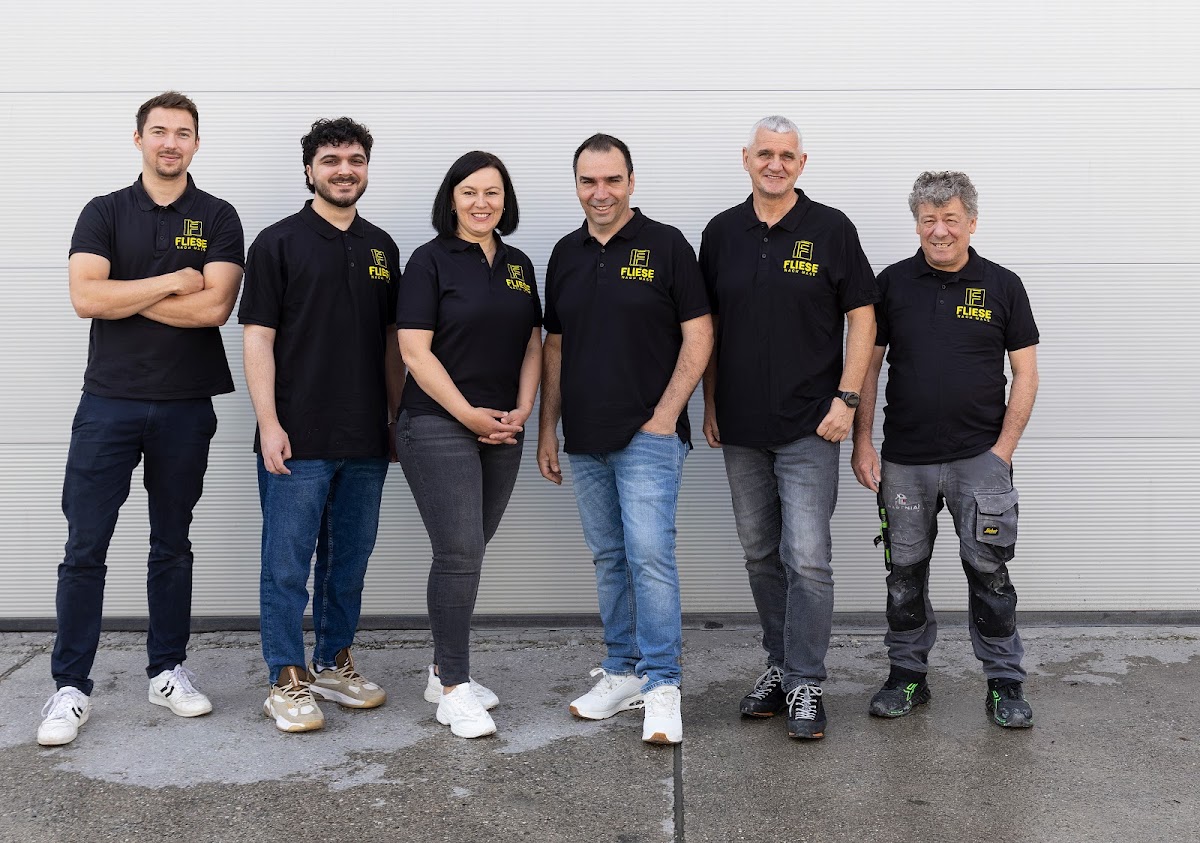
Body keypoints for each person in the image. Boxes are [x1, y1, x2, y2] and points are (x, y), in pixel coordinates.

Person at [39, 92, 244, 747]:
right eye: (159, 131)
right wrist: (172, 281)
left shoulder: (217, 215)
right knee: (85, 546)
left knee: (172, 543)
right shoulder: (104, 212)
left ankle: (166, 670)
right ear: (138, 139)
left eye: (183, 132)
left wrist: (124, 296)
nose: (170, 142)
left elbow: (214, 309)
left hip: (186, 404)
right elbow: (84, 297)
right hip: (109, 402)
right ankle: (71, 685)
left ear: (196, 143)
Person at [700, 116, 878, 740]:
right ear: (745, 158)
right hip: (743, 427)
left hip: (812, 425)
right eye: (764, 154)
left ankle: (806, 681)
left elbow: (863, 318)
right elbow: (708, 326)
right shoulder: (722, 232)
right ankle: (779, 666)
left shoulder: (831, 229)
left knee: (807, 558)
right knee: (759, 553)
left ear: (803, 163)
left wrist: (847, 400)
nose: (774, 164)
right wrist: (711, 402)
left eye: (786, 155)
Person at [538, 134, 713, 746]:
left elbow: (700, 335)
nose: (601, 192)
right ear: (576, 185)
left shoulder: (666, 245)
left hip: (648, 436)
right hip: (585, 436)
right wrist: (548, 429)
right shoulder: (565, 253)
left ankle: (662, 682)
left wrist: (665, 415)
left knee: (650, 555)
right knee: (610, 557)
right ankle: (622, 670)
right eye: (589, 181)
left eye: (612, 180)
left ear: (632, 182)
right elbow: (555, 347)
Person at [851, 171, 1040, 728]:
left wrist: (1002, 452)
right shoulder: (891, 284)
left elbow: (1026, 374)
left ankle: (1004, 682)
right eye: (928, 219)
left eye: (950, 219)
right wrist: (863, 442)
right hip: (904, 462)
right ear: (916, 224)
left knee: (990, 575)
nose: (940, 230)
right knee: (904, 577)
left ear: (971, 223)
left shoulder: (1003, 285)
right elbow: (867, 368)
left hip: (979, 460)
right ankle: (907, 677)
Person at [239, 117, 403, 733]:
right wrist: (269, 422)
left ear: (367, 169)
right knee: (286, 564)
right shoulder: (278, 242)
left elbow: (392, 343)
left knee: (349, 561)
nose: (344, 170)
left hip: (364, 436)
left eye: (355, 160)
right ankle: (285, 676)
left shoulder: (382, 248)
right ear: (309, 170)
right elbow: (258, 338)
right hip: (296, 435)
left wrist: (395, 418)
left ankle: (333, 663)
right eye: (331, 160)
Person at [395, 151, 542, 738]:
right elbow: (414, 350)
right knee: (458, 552)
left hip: (503, 426)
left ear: (506, 200)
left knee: (470, 552)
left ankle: (442, 670)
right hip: (437, 422)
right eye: (469, 192)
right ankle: (455, 687)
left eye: (492, 192)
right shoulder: (429, 261)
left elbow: (532, 342)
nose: (482, 203)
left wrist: (523, 408)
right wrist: (468, 415)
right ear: (451, 199)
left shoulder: (518, 263)